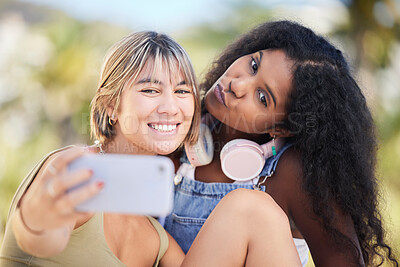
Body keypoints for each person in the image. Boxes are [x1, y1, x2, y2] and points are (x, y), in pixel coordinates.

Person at [0, 31, 302, 266]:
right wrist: (37, 221)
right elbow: (40, 239)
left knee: (256, 211)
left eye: (182, 91)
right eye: (150, 90)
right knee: (253, 209)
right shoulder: (75, 169)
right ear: (111, 106)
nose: (171, 107)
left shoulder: (155, 238)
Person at [164, 20, 399, 267]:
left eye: (263, 97)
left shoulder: (292, 173)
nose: (237, 84)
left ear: (281, 128)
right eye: (253, 65)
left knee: (249, 208)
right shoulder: (173, 137)